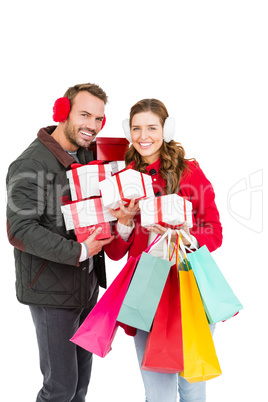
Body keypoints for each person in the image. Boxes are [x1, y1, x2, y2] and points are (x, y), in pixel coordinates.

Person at [104, 98, 223, 402]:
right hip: (146, 291)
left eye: (151, 128)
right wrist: (127, 223)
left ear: (166, 129)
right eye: (136, 128)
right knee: (158, 394)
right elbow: (116, 253)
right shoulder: (122, 180)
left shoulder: (189, 173)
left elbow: (215, 230)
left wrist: (184, 235)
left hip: (187, 287)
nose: (144, 136)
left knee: (193, 385)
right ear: (128, 131)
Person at [6, 83, 114, 402]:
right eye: (84, 115)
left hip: (86, 284)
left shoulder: (87, 154)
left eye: (99, 118)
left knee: (79, 386)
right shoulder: (30, 164)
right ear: (62, 112)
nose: (92, 126)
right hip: (51, 291)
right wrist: (80, 250)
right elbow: (20, 229)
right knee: (60, 389)